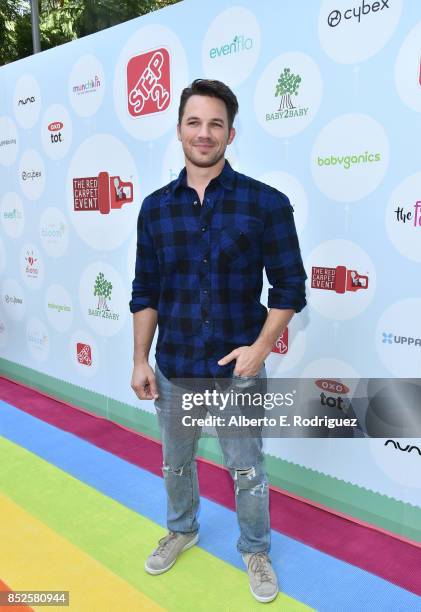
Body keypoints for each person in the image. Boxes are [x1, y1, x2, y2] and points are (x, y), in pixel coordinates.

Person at [129, 79, 307, 604]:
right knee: (175, 464)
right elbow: (146, 290)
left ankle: (255, 550)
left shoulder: (265, 203)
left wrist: (259, 349)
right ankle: (182, 530)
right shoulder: (155, 209)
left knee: (247, 468)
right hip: (174, 366)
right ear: (179, 129)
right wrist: (140, 357)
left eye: (215, 124)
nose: (203, 134)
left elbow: (291, 287)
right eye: (194, 122)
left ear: (231, 133)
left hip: (238, 371)